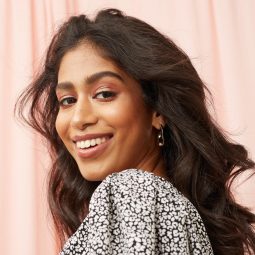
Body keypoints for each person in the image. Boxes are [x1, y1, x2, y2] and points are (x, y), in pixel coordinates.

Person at [16, 8, 255, 255]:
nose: (79, 118)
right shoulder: (172, 207)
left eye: (104, 94)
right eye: (67, 100)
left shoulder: (132, 193)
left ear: (157, 109)